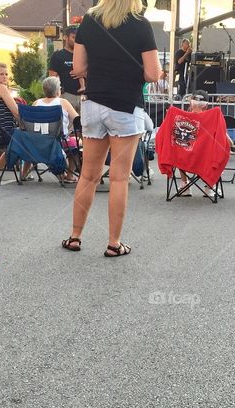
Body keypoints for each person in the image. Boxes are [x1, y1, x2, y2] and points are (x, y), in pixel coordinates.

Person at [65, 0, 160, 257]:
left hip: (93, 104)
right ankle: (113, 243)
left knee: (88, 176)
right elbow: (152, 74)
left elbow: (78, 68)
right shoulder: (141, 24)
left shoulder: (90, 20)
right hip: (125, 106)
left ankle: (75, 236)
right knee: (119, 178)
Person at [33, 75, 80, 182]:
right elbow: (77, 120)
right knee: (75, 146)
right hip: (59, 142)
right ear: (58, 90)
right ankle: (69, 175)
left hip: (38, 143)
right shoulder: (63, 102)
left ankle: (24, 174)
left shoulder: (36, 103)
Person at [48, 25, 84, 111]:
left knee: (85, 120)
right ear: (65, 37)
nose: (76, 41)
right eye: (73, 37)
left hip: (84, 96)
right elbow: (52, 79)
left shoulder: (84, 54)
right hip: (66, 96)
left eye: (78, 38)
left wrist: (83, 73)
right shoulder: (58, 56)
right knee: (68, 120)